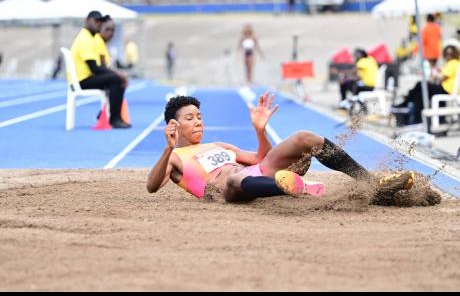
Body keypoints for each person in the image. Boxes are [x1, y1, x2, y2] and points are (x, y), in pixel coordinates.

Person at [146, 92, 415, 203]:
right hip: (228, 189)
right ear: (174, 125)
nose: (198, 123)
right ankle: (286, 186)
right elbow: (152, 186)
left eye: (200, 117)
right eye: (190, 119)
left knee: (304, 137)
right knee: (233, 176)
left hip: (259, 173)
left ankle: (373, 185)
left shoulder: (219, 145)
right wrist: (168, 149)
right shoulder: (176, 157)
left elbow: (261, 158)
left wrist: (260, 131)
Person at [70, 10, 131, 129]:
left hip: (87, 77)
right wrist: (118, 74)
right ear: (87, 21)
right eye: (96, 21)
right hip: (81, 80)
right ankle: (114, 119)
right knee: (115, 79)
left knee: (115, 79)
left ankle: (108, 115)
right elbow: (95, 68)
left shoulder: (90, 38)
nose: (98, 24)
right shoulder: (85, 39)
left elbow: (100, 67)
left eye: (100, 22)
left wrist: (117, 74)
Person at [392, 45, 460, 124]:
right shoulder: (454, 63)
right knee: (422, 92)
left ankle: (407, 105)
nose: (448, 55)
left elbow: (441, 77)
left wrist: (434, 73)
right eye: (447, 53)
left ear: (454, 54)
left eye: (450, 54)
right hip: (447, 89)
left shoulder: (453, 63)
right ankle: (415, 115)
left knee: (421, 85)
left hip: (446, 89)